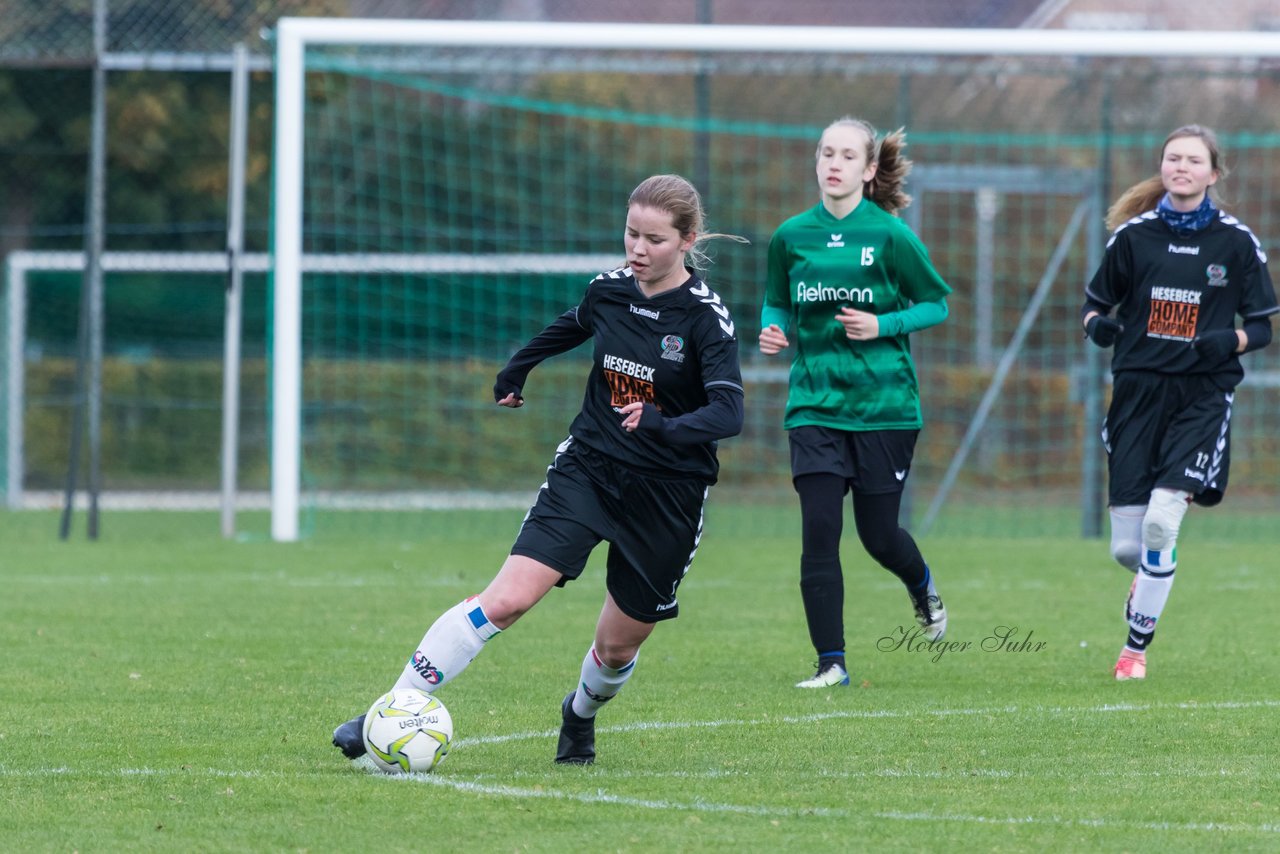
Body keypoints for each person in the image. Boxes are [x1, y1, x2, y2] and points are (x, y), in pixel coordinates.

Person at [332, 174, 746, 764]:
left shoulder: (706, 319)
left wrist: (663, 426)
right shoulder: (609, 290)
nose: (637, 248)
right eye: (631, 233)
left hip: (668, 495)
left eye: (653, 239)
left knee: (617, 648)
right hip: (591, 468)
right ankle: (392, 707)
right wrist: (516, 369)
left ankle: (578, 715)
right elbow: (572, 324)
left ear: (687, 240)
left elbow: (729, 412)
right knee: (506, 599)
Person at [759, 117, 952, 689]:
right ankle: (832, 663)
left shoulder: (890, 235)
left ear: (869, 170)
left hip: (884, 407)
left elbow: (936, 304)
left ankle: (921, 585)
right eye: (826, 153)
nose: (833, 163)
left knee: (877, 536)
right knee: (819, 529)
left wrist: (882, 323)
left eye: (847, 155)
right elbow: (775, 301)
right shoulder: (790, 236)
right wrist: (773, 330)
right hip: (814, 405)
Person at [1082, 124, 1277, 680]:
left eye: (1193, 160)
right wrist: (1098, 327)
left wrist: (1229, 341)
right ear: (1162, 167)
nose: (1182, 167)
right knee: (1129, 549)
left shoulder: (1236, 243)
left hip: (1202, 395)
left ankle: (1134, 652)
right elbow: (1093, 306)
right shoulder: (1133, 238)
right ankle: (1142, 584)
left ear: (1213, 173)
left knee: (1163, 524)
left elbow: (1261, 328)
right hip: (1137, 393)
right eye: (1173, 158)